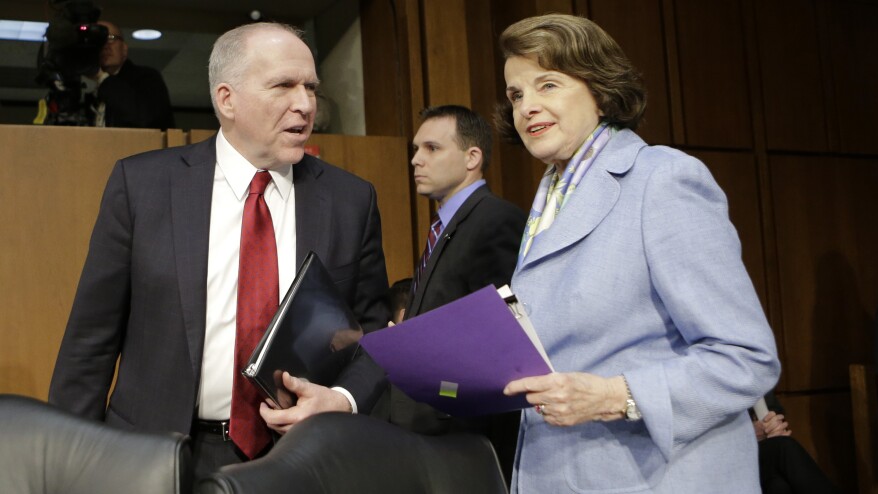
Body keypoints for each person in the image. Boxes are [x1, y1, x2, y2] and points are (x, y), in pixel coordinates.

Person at [48, 22, 389, 479]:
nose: (305, 104)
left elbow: (373, 336)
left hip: (301, 458)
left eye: (310, 87)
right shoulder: (144, 186)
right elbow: (90, 341)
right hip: (156, 456)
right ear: (227, 99)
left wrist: (343, 400)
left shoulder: (351, 200)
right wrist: (67, 464)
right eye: (283, 86)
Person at [495, 14, 780, 493]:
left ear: (600, 91)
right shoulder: (550, 201)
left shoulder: (662, 179)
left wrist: (614, 395)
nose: (528, 107)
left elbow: (745, 358)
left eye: (548, 84)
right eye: (516, 94)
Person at [375, 104, 527, 481]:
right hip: (429, 425)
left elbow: (501, 337)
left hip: (464, 434)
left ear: (472, 157)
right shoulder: (447, 223)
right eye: (415, 149)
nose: (415, 160)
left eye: (431, 148)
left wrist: (417, 348)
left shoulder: (495, 218)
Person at [87, 20, 174, 129]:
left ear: (124, 48)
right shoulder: (97, 92)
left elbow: (143, 118)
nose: (105, 46)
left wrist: (101, 77)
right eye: (99, 41)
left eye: (111, 39)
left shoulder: (147, 77)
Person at [753, 394, 842, 493]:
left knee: (779, 485)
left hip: (762, 457)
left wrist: (774, 426)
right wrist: (748, 434)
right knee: (783, 447)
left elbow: (772, 411)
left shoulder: (751, 380)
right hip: (738, 457)